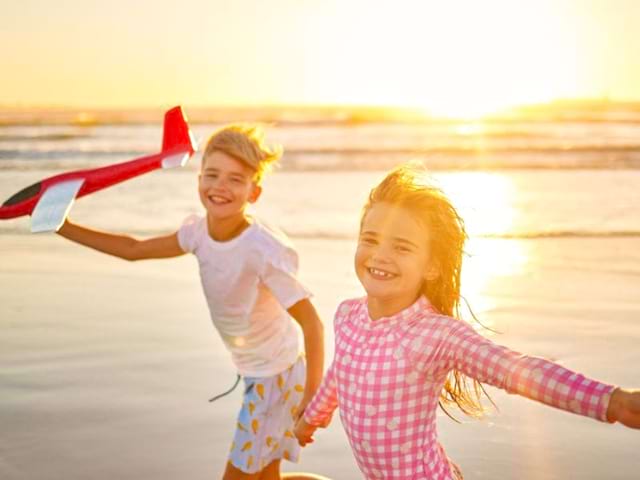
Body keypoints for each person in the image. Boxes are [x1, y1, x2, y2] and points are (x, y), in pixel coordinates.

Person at [294, 163, 640, 480]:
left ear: (431, 266)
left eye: (402, 247)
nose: (380, 255)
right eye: (370, 239)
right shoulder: (347, 315)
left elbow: (514, 370)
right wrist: (311, 420)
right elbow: (342, 372)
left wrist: (610, 401)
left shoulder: (436, 335)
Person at [57, 124, 327, 480]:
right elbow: (133, 250)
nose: (220, 187)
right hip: (259, 371)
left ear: (254, 193)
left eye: (235, 179)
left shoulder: (261, 250)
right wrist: (61, 225)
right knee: (264, 475)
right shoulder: (197, 233)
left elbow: (312, 323)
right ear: (198, 179)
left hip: (276, 378)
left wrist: (312, 400)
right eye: (212, 174)